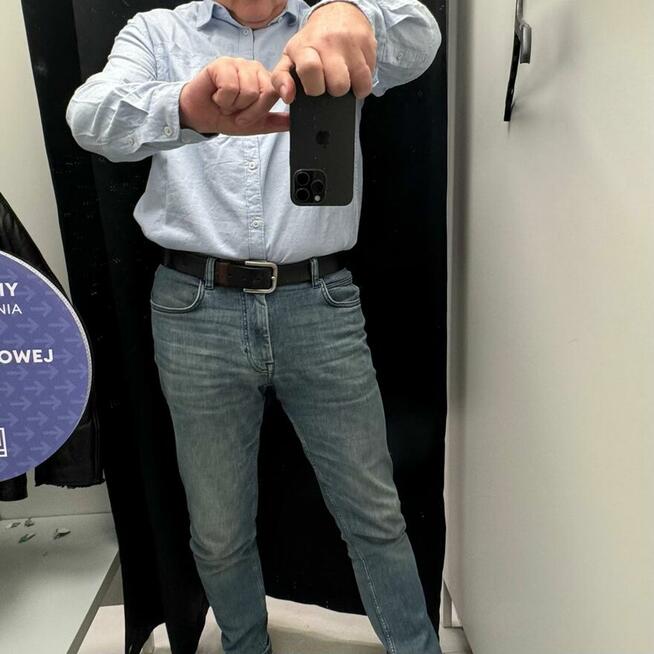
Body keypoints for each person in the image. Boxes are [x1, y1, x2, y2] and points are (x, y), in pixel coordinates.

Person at [66, 1, 442, 652]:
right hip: (194, 310)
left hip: (319, 303)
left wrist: (350, 13)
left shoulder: (326, 17)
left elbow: (421, 38)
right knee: (218, 532)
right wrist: (185, 106)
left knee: (375, 515)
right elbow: (90, 117)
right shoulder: (160, 32)